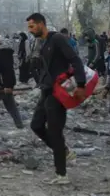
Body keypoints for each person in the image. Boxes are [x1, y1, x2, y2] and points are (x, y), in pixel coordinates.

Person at [26, 13, 85, 185]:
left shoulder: (57, 38)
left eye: (32, 26)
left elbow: (75, 60)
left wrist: (80, 84)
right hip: (46, 90)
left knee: (55, 131)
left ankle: (62, 174)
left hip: (58, 93)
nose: (30, 30)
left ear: (41, 24)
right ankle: (65, 151)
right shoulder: (42, 43)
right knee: (36, 125)